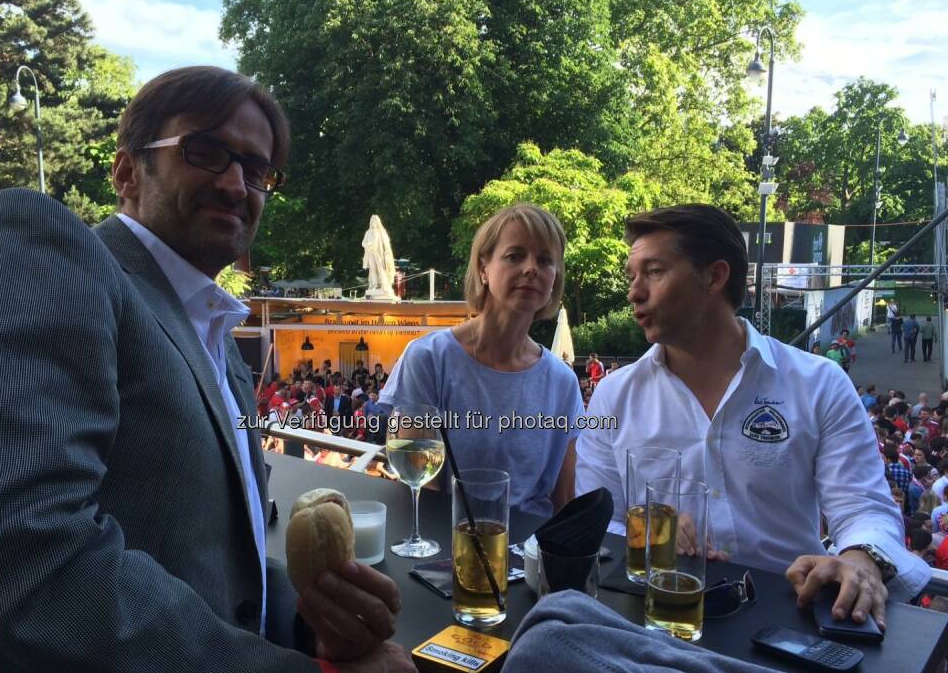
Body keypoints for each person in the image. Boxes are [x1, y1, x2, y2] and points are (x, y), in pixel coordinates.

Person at [0, 66, 418, 673]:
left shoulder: (224, 352)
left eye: (258, 168)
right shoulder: (38, 241)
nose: (236, 183)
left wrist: (308, 626)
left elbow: (210, 567)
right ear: (128, 173)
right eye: (205, 151)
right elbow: (21, 556)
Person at [576, 203, 929, 632]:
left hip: (789, 624)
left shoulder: (819, 384)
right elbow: (593, 519)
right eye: (633, 276)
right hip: (655, 620)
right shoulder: (613, 396)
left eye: (653, 271)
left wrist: (859, 558)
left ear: (715, 276)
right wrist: (650, 526)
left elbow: (863, 507)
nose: (634, 292)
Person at [381, 203, 583, 518]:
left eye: (545, 260)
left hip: (531, 552)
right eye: (515, 255)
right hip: (451, 540)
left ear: (555, 278)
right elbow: (419, 482)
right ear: (483, 269)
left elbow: (564, 500)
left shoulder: (563, 382)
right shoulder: (429, 360)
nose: (531, 268)